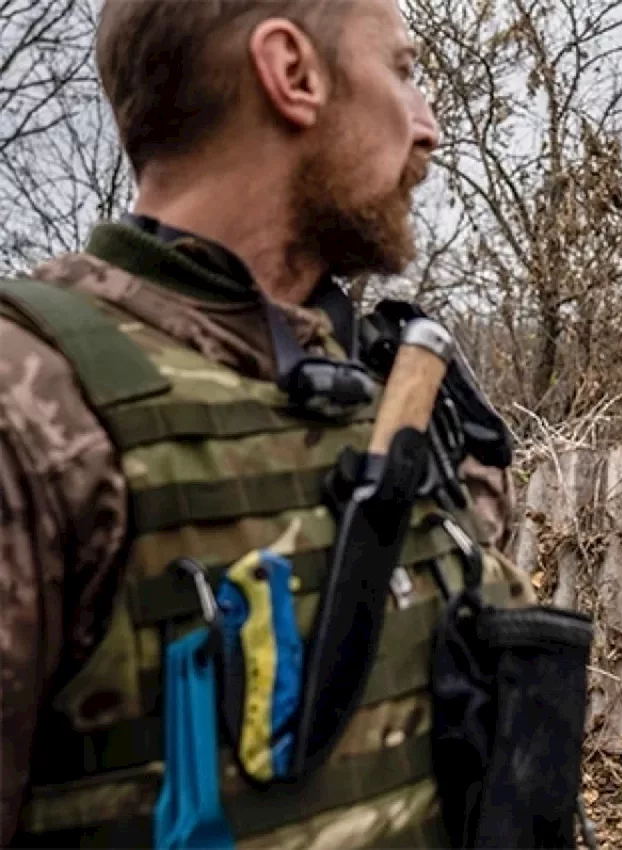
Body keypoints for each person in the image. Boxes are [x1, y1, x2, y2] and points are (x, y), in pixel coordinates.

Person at [0, 0, 539, 846]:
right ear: (292, 73)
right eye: (401, 70)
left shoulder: (392, 393)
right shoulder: (30, 407)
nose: (428, 126)